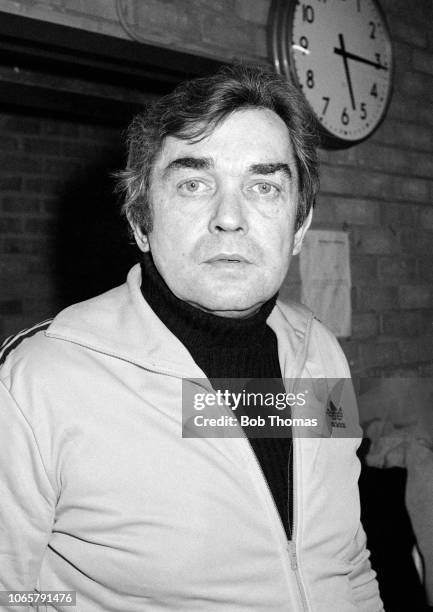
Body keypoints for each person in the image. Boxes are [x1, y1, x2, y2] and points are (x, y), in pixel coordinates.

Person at [0, 65, 383, 611]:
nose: (230, 217)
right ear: (141, 220)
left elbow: (345, 560)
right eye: (193, 184)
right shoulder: (39, 381)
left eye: (264, 186)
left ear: (298, 226)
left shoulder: (319, 353)